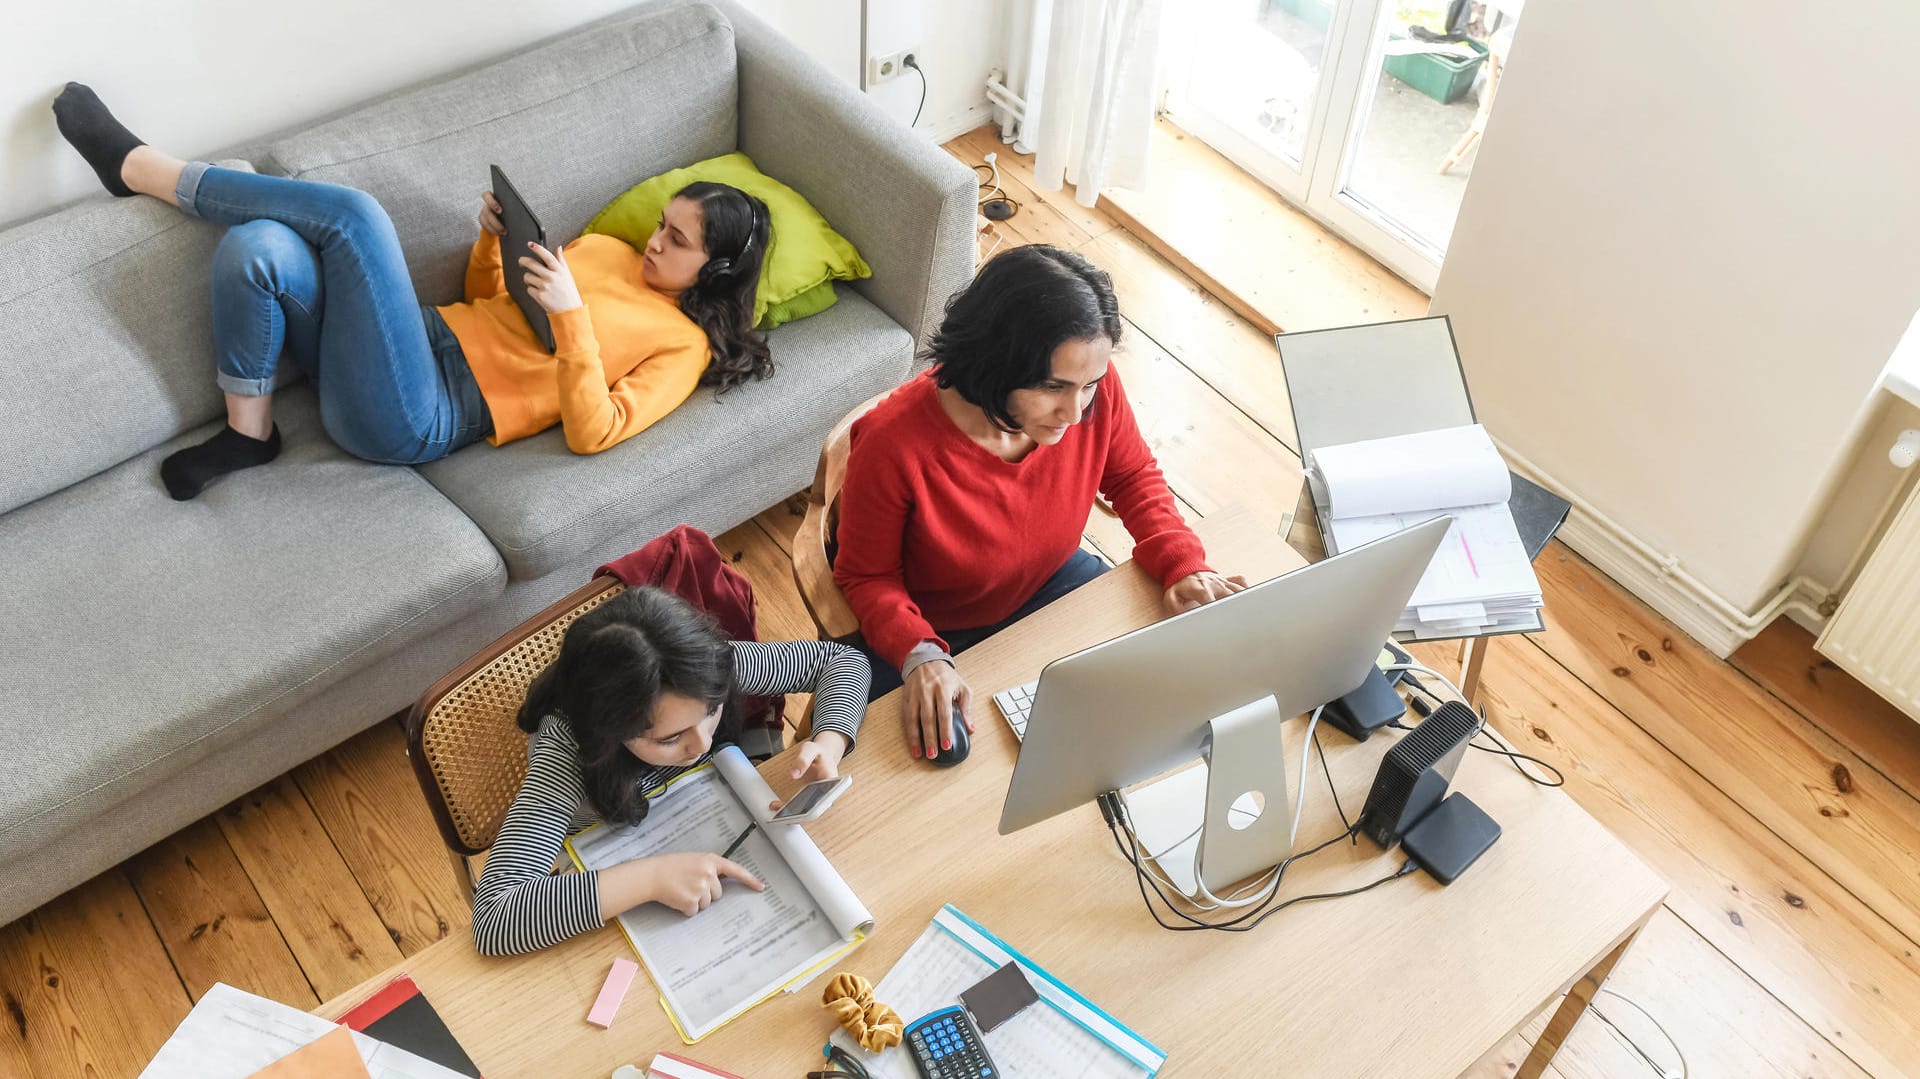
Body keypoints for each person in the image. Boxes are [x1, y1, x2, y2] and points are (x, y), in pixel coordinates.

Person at [50, 82, 773, 500]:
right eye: (663, 225)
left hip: (422, 410)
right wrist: (492, 240)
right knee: (257, 247)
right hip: (411, 343)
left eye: (676, 242)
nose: (653, 241)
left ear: (712, 272)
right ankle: (249, 434)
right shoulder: (612, 248)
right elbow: (489, 298)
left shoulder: (682, 345)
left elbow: (596, 432)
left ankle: (141, 170)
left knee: (357, 215)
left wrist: (573, 320)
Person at [832, 244, 1246, 761]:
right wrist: (919, 653)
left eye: (1088, 386)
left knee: (1154, 711)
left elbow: (1133, 476)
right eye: (1053, 387)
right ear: (994, 360)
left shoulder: (1092, 393)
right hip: (936, 626)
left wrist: (1183, 564)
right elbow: (866, 577)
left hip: (1052, 580)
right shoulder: (892, 444)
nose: (1074, 413)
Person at [470, 586, 870, 956]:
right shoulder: (566, 751)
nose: (702, 745)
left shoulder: (701, 671)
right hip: (612, 861)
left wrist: (830, 740)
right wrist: (652, 878)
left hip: (707, 818)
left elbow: (843, 660)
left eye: (712, 712)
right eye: (670, 738)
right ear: (609, 732)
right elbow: (495, 918)